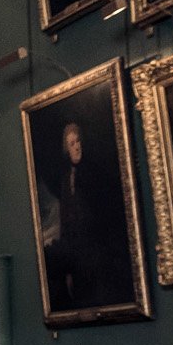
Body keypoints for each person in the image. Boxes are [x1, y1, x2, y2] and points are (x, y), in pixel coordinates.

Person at [40, 122, 129, 310]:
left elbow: (103, 211)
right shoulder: (66, 178)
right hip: (76, 250)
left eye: (78, 141)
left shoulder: (94, 172)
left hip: (96, 248)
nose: (77, 146)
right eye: (72, 144)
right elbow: (66, 217)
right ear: (66, 149)